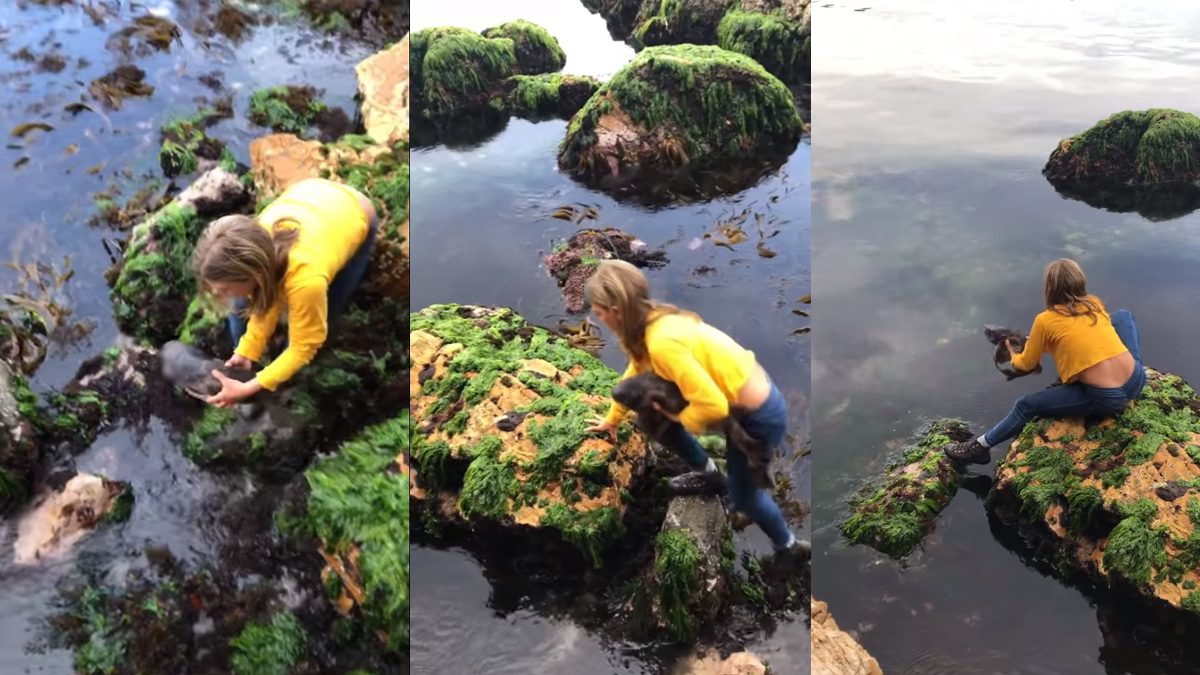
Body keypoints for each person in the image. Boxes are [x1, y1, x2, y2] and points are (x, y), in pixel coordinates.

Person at [582, 260, 810, 558]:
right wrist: (612, 420)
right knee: (645, 409)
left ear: (616, 312)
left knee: (746, 497)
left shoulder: (663, 342)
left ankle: (788, 546)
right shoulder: (651, 321)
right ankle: (710, 473)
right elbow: (635, 373)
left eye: (598, 313)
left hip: (758, 416)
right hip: (730, 400)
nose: (595, 318)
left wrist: (676, 417)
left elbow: (712, 404)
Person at [191, 178, 378, 408]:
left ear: (253, 275)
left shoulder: (307, 280)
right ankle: (262, 365)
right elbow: (268, 295)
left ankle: (288, 383)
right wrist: (248, 350)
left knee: (325, 313)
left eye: (224, 289)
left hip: (353, 209)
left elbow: (303, 347)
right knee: (241, 303)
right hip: (309, 195)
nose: (219, 295)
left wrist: (251, 387)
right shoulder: (250, 242)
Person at [944, 258, 1145, 464]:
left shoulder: (1045, 320)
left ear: (1049, 287)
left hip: (1108, 398)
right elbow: (1080, 336)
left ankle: (979, 448)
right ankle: (1121, 366)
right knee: (1122, 316)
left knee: (1024, 406)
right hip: (1137, 379)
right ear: (1080, 281)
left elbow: (1025, 365)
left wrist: (1013, 355)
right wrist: (1048, 343)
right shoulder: (1094, 303)